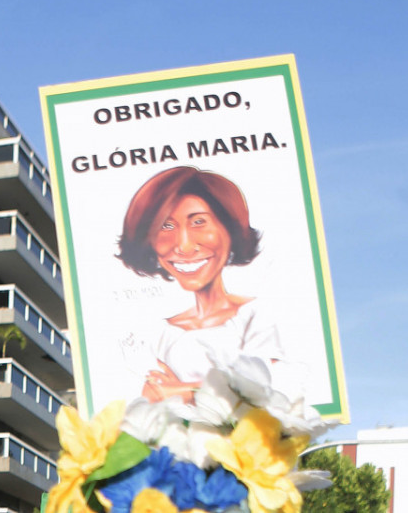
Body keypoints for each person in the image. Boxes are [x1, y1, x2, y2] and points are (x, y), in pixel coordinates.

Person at [116, 166, 285, 402]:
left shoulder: (258, 315)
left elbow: (267, 389)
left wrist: (182, 391)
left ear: (230, 229)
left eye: (198, 222)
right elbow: (150, 399)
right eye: (166, 226)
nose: (184, 246)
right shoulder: (159, 334)